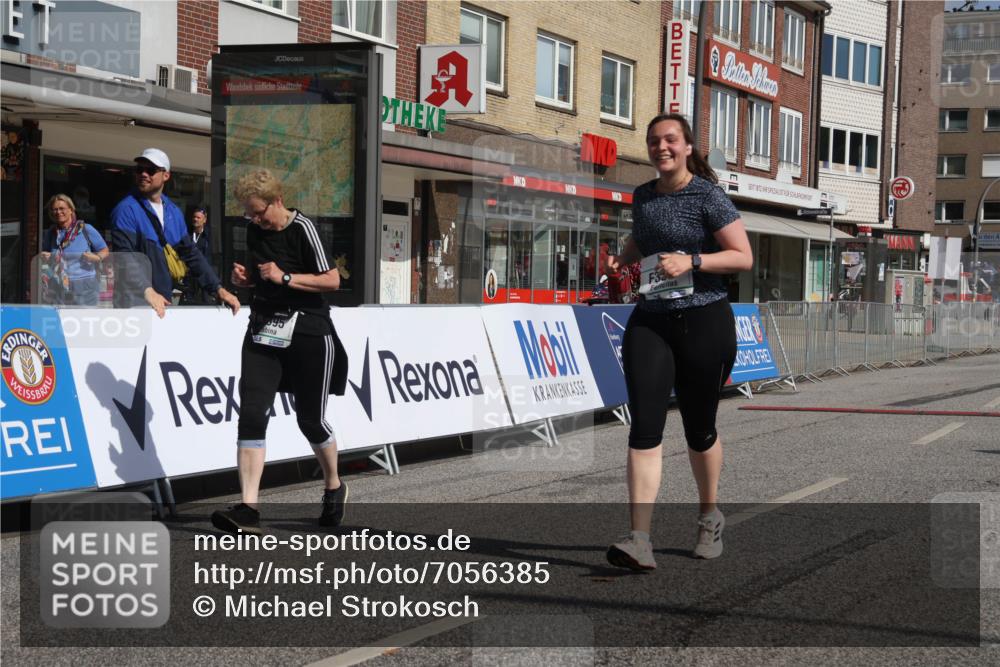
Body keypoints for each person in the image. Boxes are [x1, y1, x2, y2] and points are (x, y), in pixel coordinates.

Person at [605, 113, 753, 570]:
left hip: (705, 320)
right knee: (644, 427)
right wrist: (621, 261)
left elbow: (742, 257)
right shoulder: (643, 195)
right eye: (654, 141)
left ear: (688, 147)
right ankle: (639, 539)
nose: (661, 147)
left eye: (670, 139)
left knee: (699, 427)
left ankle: (709, 517)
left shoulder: (707, 196)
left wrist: (691, 261)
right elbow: (642, 239)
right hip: (652, 320)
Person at [210, 169, 349, 535]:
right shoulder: (256, 231)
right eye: (249, 214)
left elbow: (332, 280)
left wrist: (285, 277)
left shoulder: (303, 228)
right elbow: (264, 275)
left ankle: (333, 484)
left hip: (308, 332)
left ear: (276, 201)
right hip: (263, 329)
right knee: (252, 412)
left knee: (310, 420)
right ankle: (248, 508)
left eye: (258, 212)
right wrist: (249, 280)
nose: (254, 220)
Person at [110, 148, 239, 318]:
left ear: (166, 175)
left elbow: (191, 254)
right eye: (139, 169)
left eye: (150, 170)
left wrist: (218, 289)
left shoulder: (173, 211)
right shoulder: (126, 210)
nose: (143, 174)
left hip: (162, 301)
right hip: (132, 305)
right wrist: (147, 291)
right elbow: (125, 257)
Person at [39, 194, 109, 306]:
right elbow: (46, 256)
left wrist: (97, 257)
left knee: (83, 319)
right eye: (54, 209)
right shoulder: (51, 233)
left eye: (62, 208)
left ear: (71, 210)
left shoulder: (86, 229)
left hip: (84, 284)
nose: (58, 212)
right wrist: (45, 257)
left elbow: (105, 250)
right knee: (62, 320)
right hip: (58, 285)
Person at [181, 207, 214, 304]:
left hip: (203, 274)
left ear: (204, 220)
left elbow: (210, 256)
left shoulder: (208, 236)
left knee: (206, 301)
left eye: (198, 218)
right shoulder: (187, 234)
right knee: (187, 302)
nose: (195, 219)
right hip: (188, 275)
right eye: (194, 217)